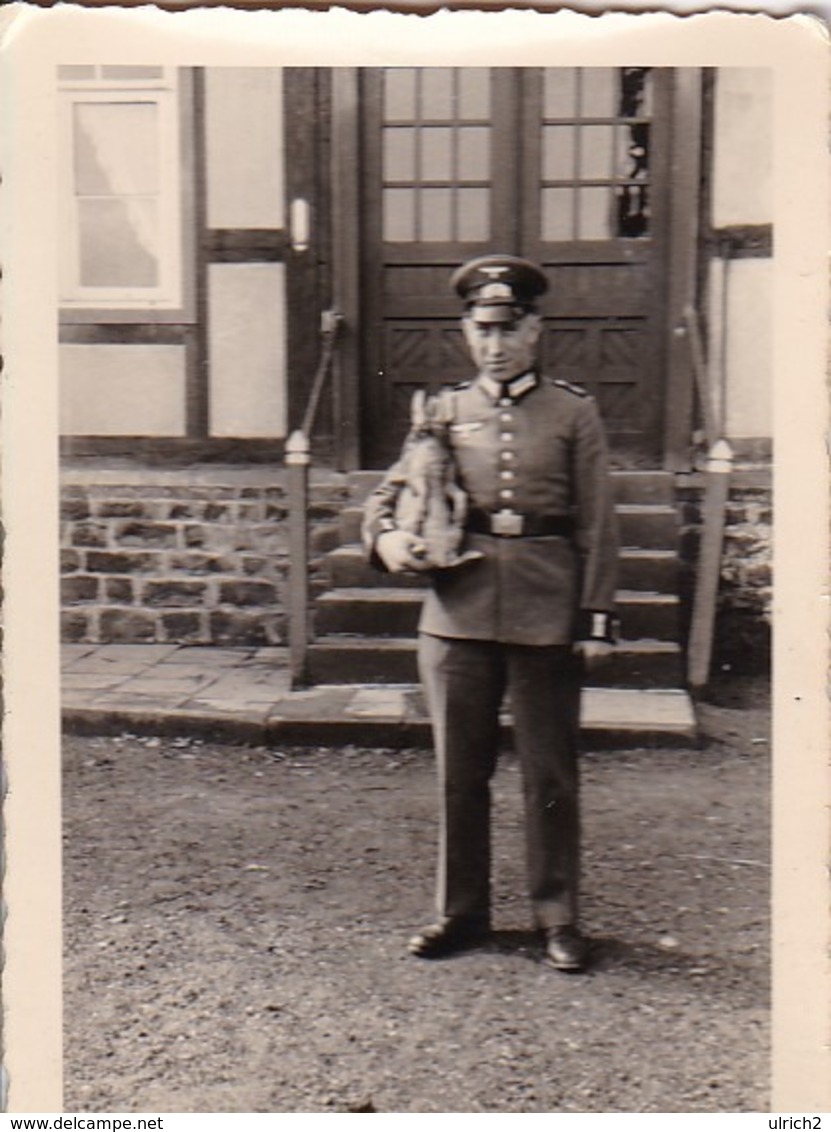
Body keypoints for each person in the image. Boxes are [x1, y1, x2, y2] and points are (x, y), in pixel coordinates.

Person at [361, 254, 619, 973]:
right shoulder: (441, 411)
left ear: (534, 330)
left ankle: (557, 917)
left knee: (549, 776)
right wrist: (390, 541)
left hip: (545, 609)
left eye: (509, 328)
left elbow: (597, 520)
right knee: (458, 774)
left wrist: (594, 615)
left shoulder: (572, 412)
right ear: (464, 332)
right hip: (457, 616)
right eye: (482, 329)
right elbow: (387, 500)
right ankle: (460, 911)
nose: (495, 344)